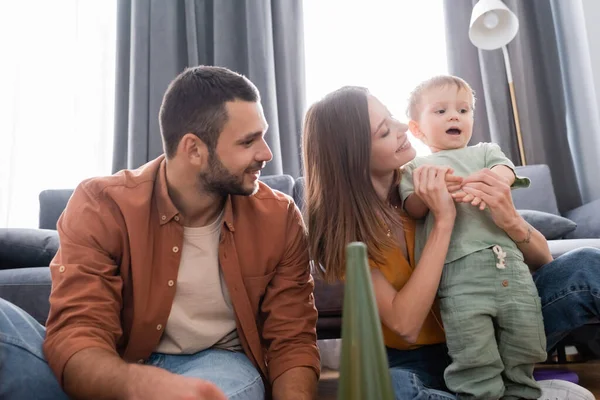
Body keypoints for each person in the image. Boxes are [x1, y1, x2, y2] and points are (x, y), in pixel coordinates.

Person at [0, 66, 320, 400]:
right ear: (194, 149)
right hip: (114, 366)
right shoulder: (101, 205)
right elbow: (80, 333)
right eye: (248, 141)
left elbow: (292, 340)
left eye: (262, 135)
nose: (266, 153)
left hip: (219, 362)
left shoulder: (279, 216)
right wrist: (137, 385)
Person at [302, 85, 599, 400]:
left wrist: (509, 219)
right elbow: (405, 325)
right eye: (386, 130)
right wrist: (443, 223)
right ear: (354, 155)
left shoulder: (433, 176)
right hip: (420, 358)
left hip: (497, 325)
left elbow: (545, 264)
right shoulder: (346, 232)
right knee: (394, 390)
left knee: (586, 266)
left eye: (391, 117)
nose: (404, 127)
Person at [397, 75, 546, 398]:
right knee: (473, 353)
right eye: (441, 111)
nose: (455, 116)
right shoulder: (417, 168)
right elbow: (413, 207)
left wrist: (496, 178)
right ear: (417, 129)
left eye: (463, 110)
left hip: (512, 270)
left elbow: (506, 170)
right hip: (459, 277)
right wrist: (431, 194)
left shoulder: (485, 152)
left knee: (526, 343)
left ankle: (523, 392)